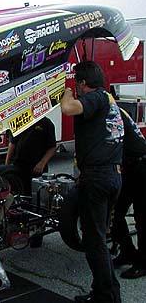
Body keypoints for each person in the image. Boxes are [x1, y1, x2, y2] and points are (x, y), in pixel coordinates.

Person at [60, 61, 124, 303]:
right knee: (97, 239)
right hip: (108, 175)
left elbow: (68, 108)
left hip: (98, 178)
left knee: (94, 242)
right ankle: (106, 292)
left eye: (77, 83)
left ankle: (106, 296)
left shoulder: (97, 97)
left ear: (83, 84)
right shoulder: (108, 100)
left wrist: (65, 90)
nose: (75, 87)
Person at [110, 108, 146, 279]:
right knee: (116, 214)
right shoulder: (114, 110)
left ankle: (143, 264)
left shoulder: (112, 113)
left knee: (141, 219)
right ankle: (128, 253)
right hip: (129, 168)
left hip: (141, 167)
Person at [5, 117, 56, 197]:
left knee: (36, 196)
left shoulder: (46, 123)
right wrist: (7, 166)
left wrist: (42, 163)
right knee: (19, 195)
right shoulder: (19, 119)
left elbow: (52, 148)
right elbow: (12, 143)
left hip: (36, 168)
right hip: (19, 165)